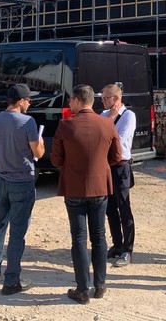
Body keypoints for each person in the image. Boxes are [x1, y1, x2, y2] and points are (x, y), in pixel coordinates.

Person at [51, 84, 122, 305]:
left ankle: (82, 288)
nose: (69, 104)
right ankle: (100, 285)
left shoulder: (65, 125)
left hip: (74, 187)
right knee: (99, 236)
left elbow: (56, 160)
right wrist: (100, 167)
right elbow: (117, 156)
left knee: (79, 238)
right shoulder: (107, 123)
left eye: (71, 100)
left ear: (77, 100)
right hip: (99, 186)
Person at [0, 83, 45, 295]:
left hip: (0, 179)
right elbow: (38, 151)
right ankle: (11, 280)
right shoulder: (28, 122)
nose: (30, 103)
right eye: (29, 100)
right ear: (20, 101)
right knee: (18, 231)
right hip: (22, 180)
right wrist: (40, 143)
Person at [101, 83, 136, 268]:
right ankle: (117, 243)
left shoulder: (128, 116)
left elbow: (118, 142)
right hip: (106, 166)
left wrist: (111, 120)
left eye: (106, 98)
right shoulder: (104, 115)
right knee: (110, 208)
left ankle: (127, 249)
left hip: (121, 166)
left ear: (116, 98)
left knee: (124, 208)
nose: (103, 101)